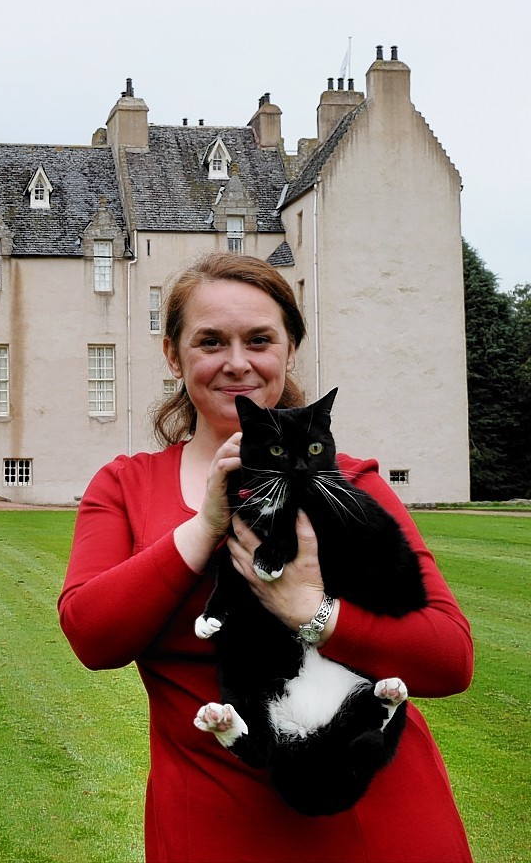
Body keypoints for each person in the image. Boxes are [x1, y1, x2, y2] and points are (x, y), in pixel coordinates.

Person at [59, 252, 473, 862]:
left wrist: (313, 611)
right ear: (173, 356)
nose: (237, 362)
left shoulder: (351, 482)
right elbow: (94, 638)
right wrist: (206, 525)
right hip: (214, 823)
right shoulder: (127, 486)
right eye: (209, 341)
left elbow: (449, 658)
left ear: (288, 351)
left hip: (378, 823)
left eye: (259, 339)